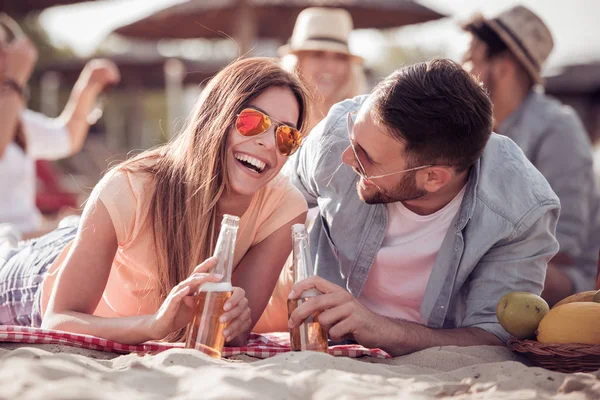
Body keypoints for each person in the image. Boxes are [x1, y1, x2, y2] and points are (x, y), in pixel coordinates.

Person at [0, 57, 310, 346]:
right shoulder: (131, 186)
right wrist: (154, 325)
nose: (269, 143)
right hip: (38, 280)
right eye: (253, 121)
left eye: (287, 137)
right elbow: (58, 321)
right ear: (217, 117)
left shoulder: (284, 209)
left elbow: (224, 332)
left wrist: (236, 322)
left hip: (92, 243)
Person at [283, 59, 560, 356]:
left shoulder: (520, 211)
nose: (347, 157)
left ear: (432, 178)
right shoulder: (337, 137)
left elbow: (494, 337)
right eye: (353, 136)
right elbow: (273, 203)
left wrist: (380, 329)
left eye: (368, 159)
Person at [462, 5, 600, 305]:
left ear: (503, 67)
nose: (465, 70)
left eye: (471, 60)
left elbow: (563, 248)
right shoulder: (481, 130)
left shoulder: (557, 128)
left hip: (560, 280)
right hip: (496, 266)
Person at [0, 15, 120, 238]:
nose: (8, 58)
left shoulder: (16, 119)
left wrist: (90, 84)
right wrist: (14, 82)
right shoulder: (10, 111)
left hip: (24, 244)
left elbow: (67, 138)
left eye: (6, 49)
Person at [279, 7, 366, 131]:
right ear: (296, 62)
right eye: (317, 54)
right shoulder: (275, 120)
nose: (330, 66)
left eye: (339, 57)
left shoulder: (361, 127)